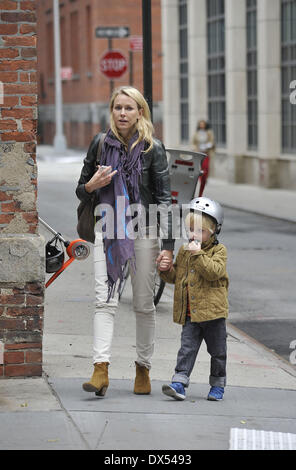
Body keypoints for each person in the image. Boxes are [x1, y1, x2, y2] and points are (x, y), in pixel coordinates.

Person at [76, 86, 174, 397]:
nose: (122, 113)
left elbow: (163, 200)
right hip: (108, 229)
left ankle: (142, 369)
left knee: (144, 305)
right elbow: (81, 189)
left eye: (129, 108)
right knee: (104, 301)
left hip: (143, 231)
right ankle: (100, 368)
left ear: (140, 112)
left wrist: (169, 247)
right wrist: (92, 185)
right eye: (118, 107)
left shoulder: (152, 149)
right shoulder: (99, 144)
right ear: (112, 110)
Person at [158, 197, 229, 401]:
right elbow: (177, 277)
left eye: (200, 231)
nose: (193, 235)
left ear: (214, 230)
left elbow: (213, 272)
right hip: (190, 313)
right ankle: (179, 383)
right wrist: (165, 269)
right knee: (186, 349)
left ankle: (217, 385)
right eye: (190, 229)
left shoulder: (219, 251)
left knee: (217, 352)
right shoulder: (184, 251)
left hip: (213, 314)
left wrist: (198, 255)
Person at [192, 120, 215, 197]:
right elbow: (193, 143)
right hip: (199, 153)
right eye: (200, 124)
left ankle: (204, 179)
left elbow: (212, 142)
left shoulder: (209, 133)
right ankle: (201, 180)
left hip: (206, 153)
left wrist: (208, 145)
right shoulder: (196, 133)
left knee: (206, 168)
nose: (202, 126)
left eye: (203, 124)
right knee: (200, 168)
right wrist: (196, 148)